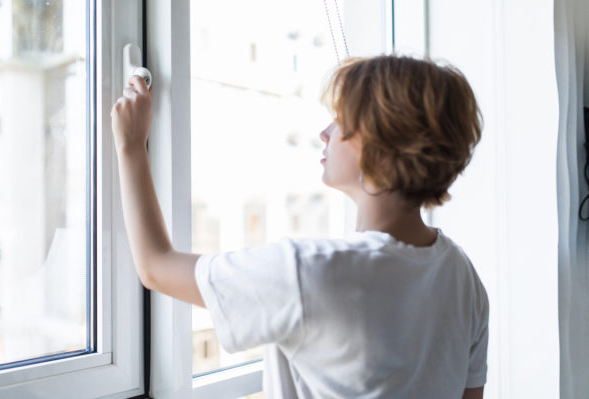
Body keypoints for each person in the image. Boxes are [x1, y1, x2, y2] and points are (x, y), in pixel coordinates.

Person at [110, 54, 488, 399]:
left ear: (382, 146)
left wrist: (131, 145)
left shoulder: (311, 272)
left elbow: (155, 266)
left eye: (343, 119)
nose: (326, 132)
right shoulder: (462, 276)